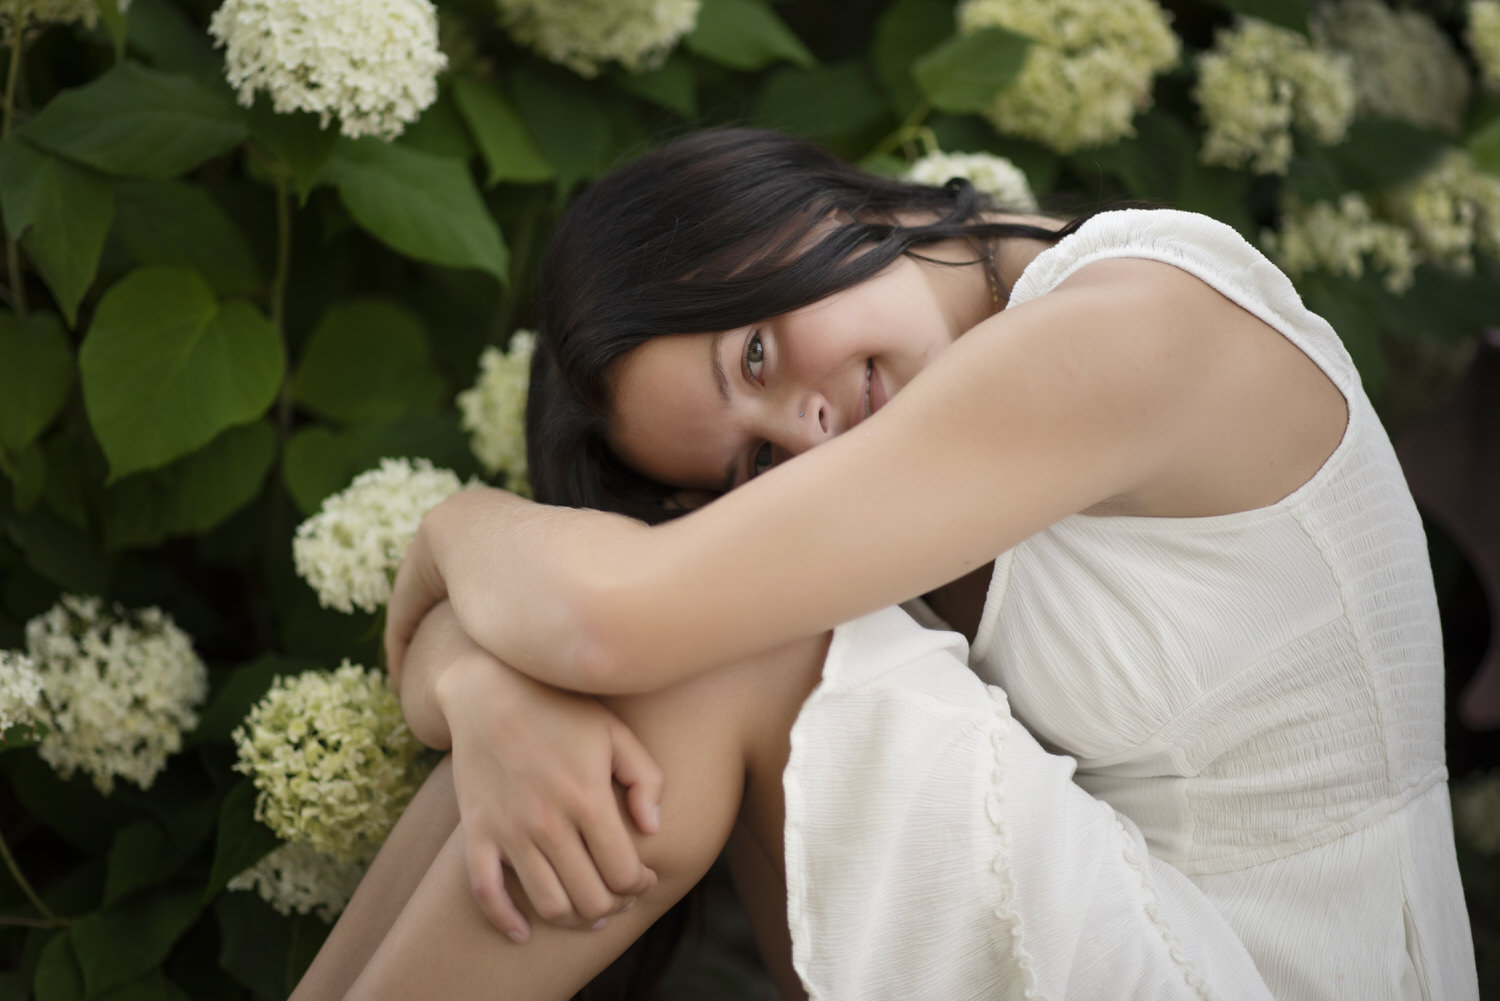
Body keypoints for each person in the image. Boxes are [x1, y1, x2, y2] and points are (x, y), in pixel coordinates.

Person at [289, 128, 1478, 1001]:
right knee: (687, 652)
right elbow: (592, 621)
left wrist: (452, 528)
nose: (802, 429)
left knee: (728, 652)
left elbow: (611, 618)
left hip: (1274, 969)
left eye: (756, 354)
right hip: (1139, 935)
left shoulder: (1135, 325)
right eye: (750, 464)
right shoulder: (909, 425)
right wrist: (484, 691)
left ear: (783, 205)